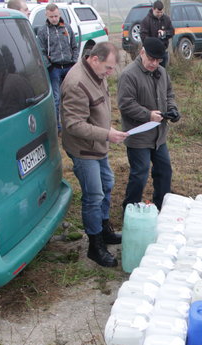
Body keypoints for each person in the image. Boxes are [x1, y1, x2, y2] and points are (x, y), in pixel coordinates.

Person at [60, 42, 128, 267]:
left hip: (98, 145)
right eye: (108, 68)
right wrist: (106, 134)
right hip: (84, 149)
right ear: (94, 59)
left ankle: (105, 229)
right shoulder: (76, 83)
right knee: (93, 196)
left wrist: (106, 131)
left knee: (107, 183)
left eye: (112, 69)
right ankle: (95, 245)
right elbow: (73, 125)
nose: (110, 73)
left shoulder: (98, 73)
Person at [118, 37, 180, 211]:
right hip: (138, 136)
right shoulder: (129, 75)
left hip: (159, 137)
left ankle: (161, 209)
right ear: (142, 52)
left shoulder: (162, 72)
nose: (154, 63)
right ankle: (130, 210)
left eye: (158, 60)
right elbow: (125, 104)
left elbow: (169, 95)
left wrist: (173, 110)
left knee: (165, 171)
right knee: (140, 174)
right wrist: (148, 115)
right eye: (151, 59)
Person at [37, 3, 78, 131]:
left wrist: (74, 62)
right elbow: (41, 51)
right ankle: (57, 127)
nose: (54, 19)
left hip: (69, 67)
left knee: (72, 96)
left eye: (56, 16)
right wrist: (49, 66)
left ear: (59, 14)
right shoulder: (43, 31)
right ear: (46, 15)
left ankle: (74, 123)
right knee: (56, 99)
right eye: (51, 16)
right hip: (54, 69)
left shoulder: (67, 28)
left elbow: (74, 46)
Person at [139, 0, 174, 68]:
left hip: (163, 52)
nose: (159, 14)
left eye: (161, 12)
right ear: (153, 9)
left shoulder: (166, 19)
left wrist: (165, 33)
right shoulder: (146, 21)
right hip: (150, 53)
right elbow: (143, 37)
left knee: (162, 72)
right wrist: (154, 42)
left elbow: (172, 32)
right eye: (157, 12)